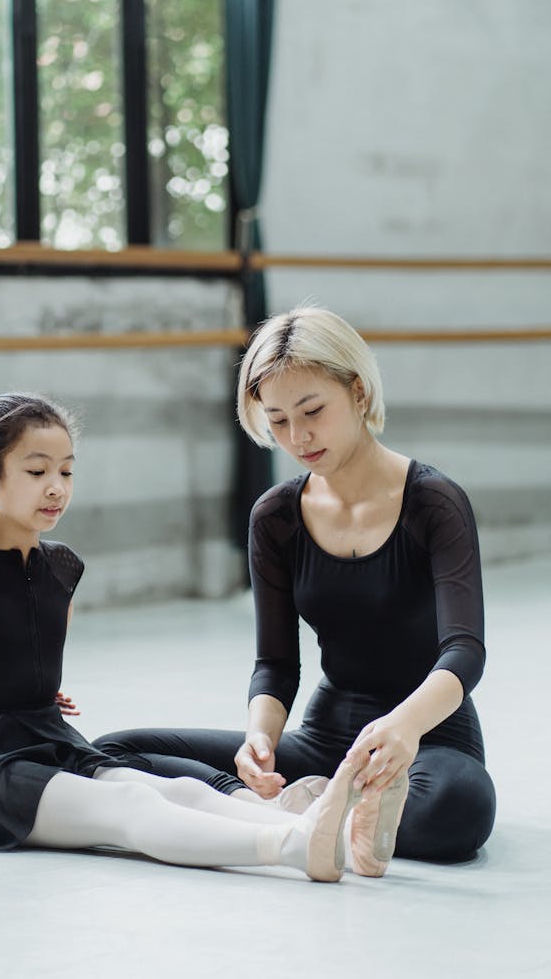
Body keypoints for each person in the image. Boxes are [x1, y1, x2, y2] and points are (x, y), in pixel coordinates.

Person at [0, 390, 394, 883]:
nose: (56, 487)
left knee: (171, 788)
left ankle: (333, 833)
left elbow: (23, 649)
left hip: (50, 740)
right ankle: (292, 846)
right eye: (36, 473)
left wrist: (35, 692)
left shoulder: (63, 567)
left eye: (65, 471)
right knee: (130, 805)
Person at [94, 307, 497, 868]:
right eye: (278, 420)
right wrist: (259, 738)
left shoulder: (434, 502)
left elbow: (464, 651)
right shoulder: (276, 516)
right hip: (326, 742)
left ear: (357, 392)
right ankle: (304, 812)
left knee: (458, 809)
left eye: (313, 411)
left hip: (425, 740)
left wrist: (403, 726)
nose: (298, 437)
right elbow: (277, 664)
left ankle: (292, 816)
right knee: (114, 751)